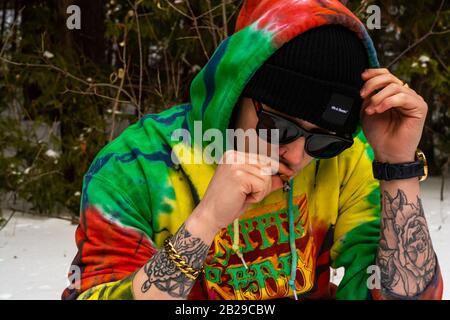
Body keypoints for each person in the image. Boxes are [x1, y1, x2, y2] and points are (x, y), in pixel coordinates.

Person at [62, 0, 443, 300]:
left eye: (323, 140)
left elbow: (407, 296)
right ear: (235, 93)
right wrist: (205, 222)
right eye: (276, 127)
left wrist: (397, 165)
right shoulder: (136, 165)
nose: (294, 157)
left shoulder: (346, 160)